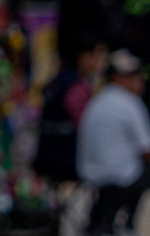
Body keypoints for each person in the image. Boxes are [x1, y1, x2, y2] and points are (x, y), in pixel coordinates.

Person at [76, 50, 150, 236]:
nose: (140, 81)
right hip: (120, 174)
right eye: (134, 77)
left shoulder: (99, 100)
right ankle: (129, 226)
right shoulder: (129, 103)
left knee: (139, 169)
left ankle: (106, 223)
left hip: (89, 171)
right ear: (118, 78)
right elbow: (149, 150)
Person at [33, 34, 105, 185]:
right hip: (66, 160)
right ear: (83, 57)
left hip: (45, 157)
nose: (100, 62)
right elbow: (85, 124)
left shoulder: (57, 80)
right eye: (96, 55)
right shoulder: (77, 87)